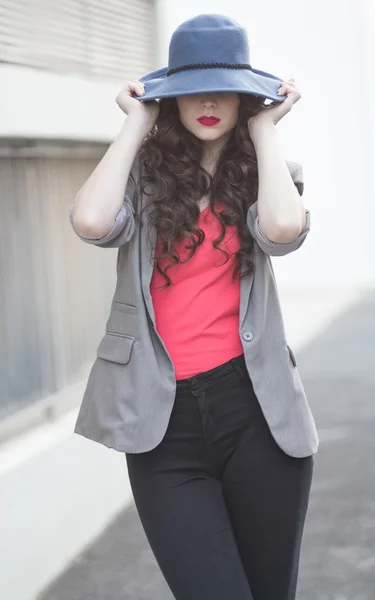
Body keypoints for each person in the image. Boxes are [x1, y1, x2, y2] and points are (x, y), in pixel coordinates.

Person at [69, 13, 319, 600]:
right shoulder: (142, 179)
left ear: (242, 96)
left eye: (223, 88)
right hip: (163, 420)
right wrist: (136, 125)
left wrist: (265, 133)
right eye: (190, 88)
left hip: (257, 413)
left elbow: (283, 230)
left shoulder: (270, 174)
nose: (207, 100)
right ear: (171, 98)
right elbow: (90, 221)